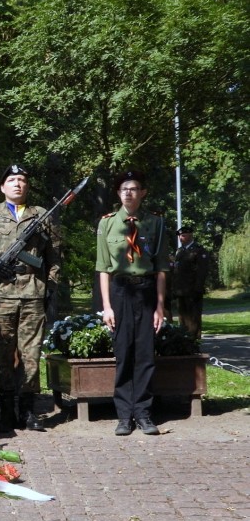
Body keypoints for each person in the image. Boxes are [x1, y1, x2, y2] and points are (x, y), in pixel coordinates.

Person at [0, 164, 61, 433]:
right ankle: (6, 413)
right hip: (2, 294)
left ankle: (28, 412)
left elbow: (54, 255)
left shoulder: (42, 215)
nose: (18, 184)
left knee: (31, 354)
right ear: (2, 186)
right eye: (12, 180)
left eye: (22, 180)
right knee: (3, 354)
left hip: (33, 293)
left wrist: (51, 286)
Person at [95, 170, 171, 436]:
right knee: (124, 353)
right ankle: (124, 416)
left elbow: (161, 268)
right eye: (124, 188)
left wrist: (160, 306)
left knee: (145, 354)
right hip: (120, 292)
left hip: (147, 292)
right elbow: (103, 268)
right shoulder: (107, 224)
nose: (128, 192)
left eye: (134, 188)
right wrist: (107, 306)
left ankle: (144, 412)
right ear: (118, 193)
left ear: (143, 193)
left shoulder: (156, 223)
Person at [172, 225, 210, 340]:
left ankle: (194, 343)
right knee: (182, 318)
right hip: (181, 290)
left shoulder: (198, 250)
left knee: (193, 319)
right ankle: (184, 342)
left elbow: (202, 272)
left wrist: (197, 289)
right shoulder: (180, 251)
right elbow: (177, 271)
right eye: (180, 236)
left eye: (183, 235)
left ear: (190, 235)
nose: (181, 238)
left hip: (192, 290)